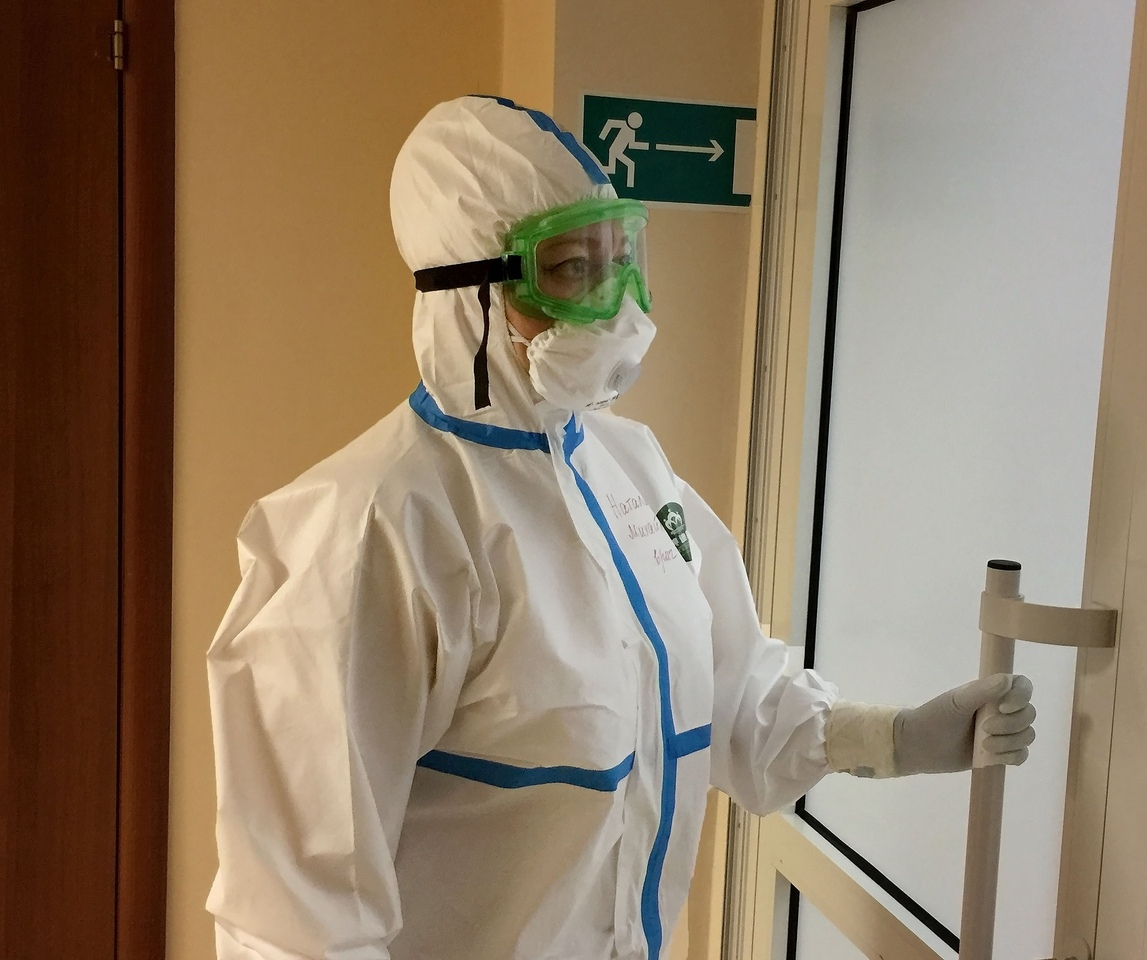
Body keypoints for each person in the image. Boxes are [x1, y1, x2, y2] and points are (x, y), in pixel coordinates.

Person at [206, 95, 1036, 960]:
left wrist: (896, 738)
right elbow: (298, 921)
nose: (616, 305)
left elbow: (725, 691)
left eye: (620, 259)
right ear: (469, 293)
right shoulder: (370, 532)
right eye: (571, 268)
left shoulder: (627, 468)